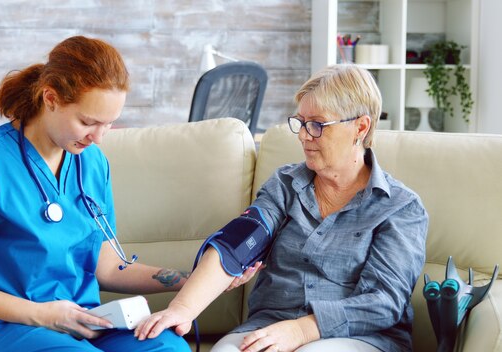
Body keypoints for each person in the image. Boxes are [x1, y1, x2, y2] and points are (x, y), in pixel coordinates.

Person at [0, 35, 256, 352]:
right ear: (50, 98)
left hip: (82, 322)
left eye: (109, 123)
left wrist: (196, 280)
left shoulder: (91, 162)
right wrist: (42, 314)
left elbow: (108, 268)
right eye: (87, 122)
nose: (98, 137)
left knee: (167, 346)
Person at [135, 64, 429, 352]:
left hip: (362, 337)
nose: (302, 135)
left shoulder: (400, 208)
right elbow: (237, 245)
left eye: (316, 125)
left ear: (360, 127)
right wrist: (183, 309)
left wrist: (301, 330)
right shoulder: (285, 185)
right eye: (300, 123)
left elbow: (383, 301)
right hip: (270, 325)